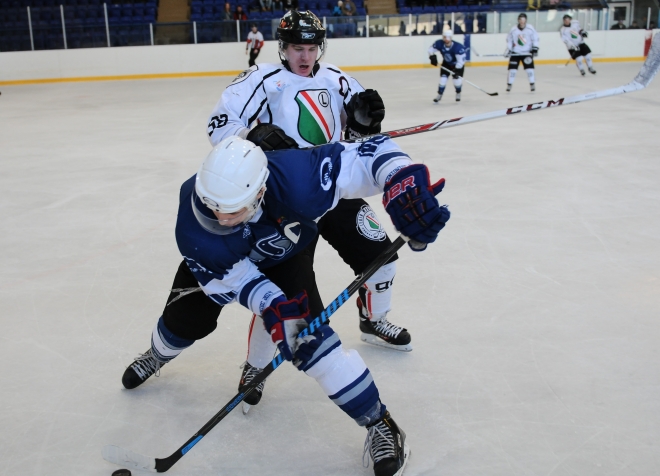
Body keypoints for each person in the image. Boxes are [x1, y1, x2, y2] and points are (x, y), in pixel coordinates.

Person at [123, 133, 449, 475]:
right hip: (223, 265)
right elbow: (237, 279)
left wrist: (400, 181)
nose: (219, 218)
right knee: (185, 321)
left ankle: (380, 424)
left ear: (259, 192)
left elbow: (370, 153)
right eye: (212, 206)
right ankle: (158, 354)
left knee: (314, 345)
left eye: (231, 210)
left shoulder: (299, 179)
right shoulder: (195, 228)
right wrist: (271, 304)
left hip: (286, 258)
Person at [205, 10, 413, 411]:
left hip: (332, 187)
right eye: (297, 48)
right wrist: (253, 134)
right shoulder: (262, 80)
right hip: (286, 200)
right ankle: (255, 366)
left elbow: (357, 143)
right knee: (283, 294)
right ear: (282, 48)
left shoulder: (336, 78)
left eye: (312, 47)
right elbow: (218, 124)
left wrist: (364, 126)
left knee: (383, 259)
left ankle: (372, 320)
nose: (305, 55)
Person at [428, 29, 466, 103]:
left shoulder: (458, 47)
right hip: (446, 64)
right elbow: (430, 50)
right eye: (444, 37)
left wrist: (457, 69)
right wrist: (432, 57)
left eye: (448, 37)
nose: (446, 39)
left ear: (451, 38)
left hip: (457, 65)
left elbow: (461, 61)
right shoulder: (439, 43)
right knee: (443, 79)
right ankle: (439, 94)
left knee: (456, 81)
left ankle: (458, 92)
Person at [505, 12, 539, 92]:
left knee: (529, 69)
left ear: (526, 20)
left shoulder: (530, 28)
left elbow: (535, 38)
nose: (522, 21)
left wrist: (535, 48)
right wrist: (509, 49)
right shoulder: (513, 29)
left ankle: (532, 84)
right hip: (516, 52)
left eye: (523, 19)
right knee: (512, 70)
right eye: (520, 19)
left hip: (527, 52)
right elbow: (509, 40)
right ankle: (509, 85)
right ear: (518, 20)